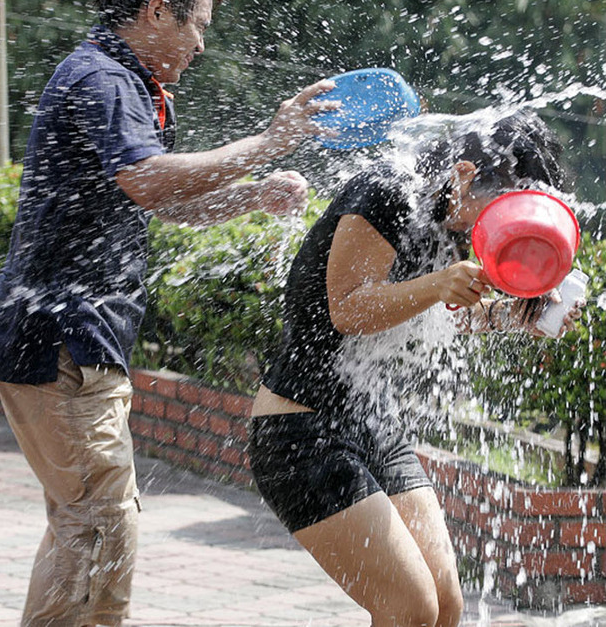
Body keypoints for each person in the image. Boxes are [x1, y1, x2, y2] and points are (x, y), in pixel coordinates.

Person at [0, 0, 339, 627]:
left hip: (73, 340)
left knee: (85, 523)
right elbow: (148, 178)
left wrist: (251, 195)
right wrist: (268, 142)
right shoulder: (103, 79)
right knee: (102, 524)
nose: (200, 45)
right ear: (159, 12)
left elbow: (163, 201)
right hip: (57, 341)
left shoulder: (130, 85)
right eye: (198, 25)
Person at [248, 110, 584, 627]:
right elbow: (349, 308)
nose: (512, 225)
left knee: (446, 605)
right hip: (301, 428)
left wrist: (514, 319)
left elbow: (427, 320)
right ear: (466, 173)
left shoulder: (455, 231)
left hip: (375, 424)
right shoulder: (384, 193)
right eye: (509, 204)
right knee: (408, 609)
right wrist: (440, 283)